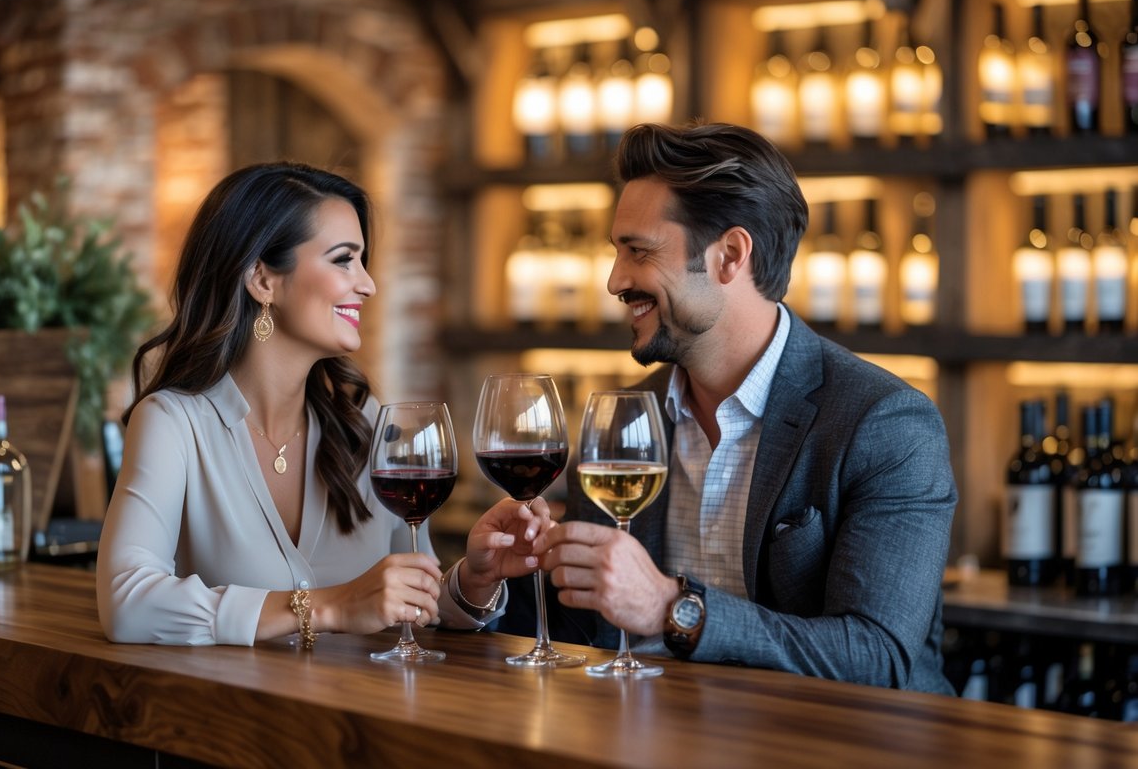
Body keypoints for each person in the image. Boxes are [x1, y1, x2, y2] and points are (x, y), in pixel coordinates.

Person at [513, 122, 958, 693]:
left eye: (639, 251)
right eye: (616, 253)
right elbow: (590, 633)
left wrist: (672, 608)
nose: (615, 280)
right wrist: (491, 584)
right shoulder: (626, 419)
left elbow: (877, 657)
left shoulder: (888, 424)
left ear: (729, 255)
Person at [97, 162, 544, 646]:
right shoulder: (172, 423)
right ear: (263, 280)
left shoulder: (366, 423)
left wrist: (474, 580)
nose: (368, 284)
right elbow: (126, 604)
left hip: (366, 716)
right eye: (343, 260)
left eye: (363, 260)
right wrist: (329, 605)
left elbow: (413, 613)